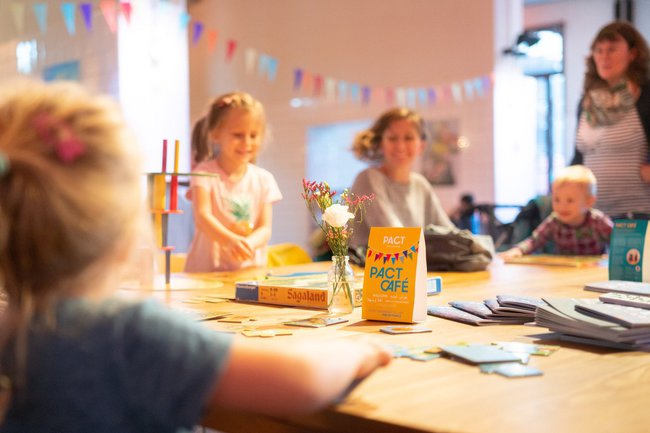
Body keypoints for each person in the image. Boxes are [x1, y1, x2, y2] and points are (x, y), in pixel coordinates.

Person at [0, 80, 392, 431]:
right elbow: (304, 382)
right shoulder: (130, 332)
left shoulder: (11, 327)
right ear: (122, 235)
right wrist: (358, 351)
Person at [184, 92, 282, 272]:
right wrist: (230, 241)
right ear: (215, 134)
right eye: (238, 135)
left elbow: (265, 228)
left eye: (253, 135)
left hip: (250, 271)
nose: (247, 142)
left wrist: (248, 244)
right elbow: (202, 217)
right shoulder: (204, 174)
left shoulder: (264, 179)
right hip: (207, 272)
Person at [572, 21, 650, 220]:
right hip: (592, 218)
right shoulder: (586, 102)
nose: (604, 57)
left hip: (639, 214)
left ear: (633, 54)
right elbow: (578, 159)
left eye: (612, 49)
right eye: (599, 50)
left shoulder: (646, 96)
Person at [349, 107, 454, 249]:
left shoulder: (420, 184)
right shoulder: (368, 178)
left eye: (409, 138)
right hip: (369, 270)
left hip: (413, 269)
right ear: (381, 143)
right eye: (392, 138)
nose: (400, 146)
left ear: (421, 146)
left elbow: (450, 233)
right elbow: (394, 240)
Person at [500, 165, 613, 259]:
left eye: (570, 200)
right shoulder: (554, 221)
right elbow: (535, 240)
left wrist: (611, 257)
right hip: (564, 272)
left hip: (593, 272)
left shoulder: (598, 221)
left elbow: (617, 243)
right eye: (557, 200)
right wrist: (518, 250)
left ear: (589, 201)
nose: (562, 206)